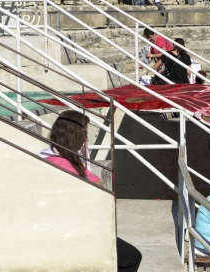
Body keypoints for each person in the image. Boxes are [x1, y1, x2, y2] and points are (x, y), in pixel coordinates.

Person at [40, 111, 143, 271]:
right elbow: (95, 187)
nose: (87, 139)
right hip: (73, 230)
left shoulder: (68, 158)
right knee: (131, 257)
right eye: (85, 133)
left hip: (84, 225)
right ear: (73, 134)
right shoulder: (59, 163)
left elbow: (97, 182)